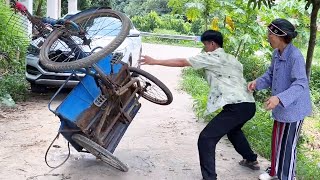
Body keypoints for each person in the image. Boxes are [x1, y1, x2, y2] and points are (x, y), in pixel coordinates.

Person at [139, 30, 260, 180]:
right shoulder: (233, 59)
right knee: (234, 131)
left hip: (236, 107)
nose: (205, 49)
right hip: (249, 105)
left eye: (205, 45)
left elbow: (182, 62)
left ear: (212, 44)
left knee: (206, 138)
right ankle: (251, 159)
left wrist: (155, 61)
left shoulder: (213, 56)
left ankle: (210, 177)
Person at [247, 18, 312, 180]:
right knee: (277, 140)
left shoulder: (295, 56)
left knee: (287, 145)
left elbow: (301, 83)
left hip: (293, 109)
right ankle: (275, 171)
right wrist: (257, 83)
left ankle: (287, 176)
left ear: (280, 35)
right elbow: (270, 74)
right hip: (281, 107)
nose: (268, 36)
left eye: (270, 33)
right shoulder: (277, 54)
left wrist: (279, 98)